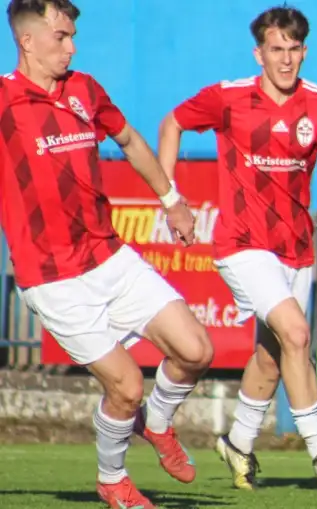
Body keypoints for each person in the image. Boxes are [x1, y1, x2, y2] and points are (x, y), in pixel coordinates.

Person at [1, 1, 215, 507]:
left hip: (109, 257)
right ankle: (112, 478)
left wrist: (173, 201)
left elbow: (132, 140)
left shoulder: (85, 89)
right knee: (126, 387)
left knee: (196, 350)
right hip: (52, 278)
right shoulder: (4, 101)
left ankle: (158, 425)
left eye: (73, 35)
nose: (71, 47)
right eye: (60, 36)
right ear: (27, 41)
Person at [157, 5, 317, 493]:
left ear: (304, 52)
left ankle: (239, 443)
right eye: (276, 50)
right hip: (242, 243)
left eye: (293, 50)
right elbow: (171, 124)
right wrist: (172, 199)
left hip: (295, 247)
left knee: (272, 355)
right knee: (297, 332)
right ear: (259, 53)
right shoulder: (228, 98)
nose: (285, 60)